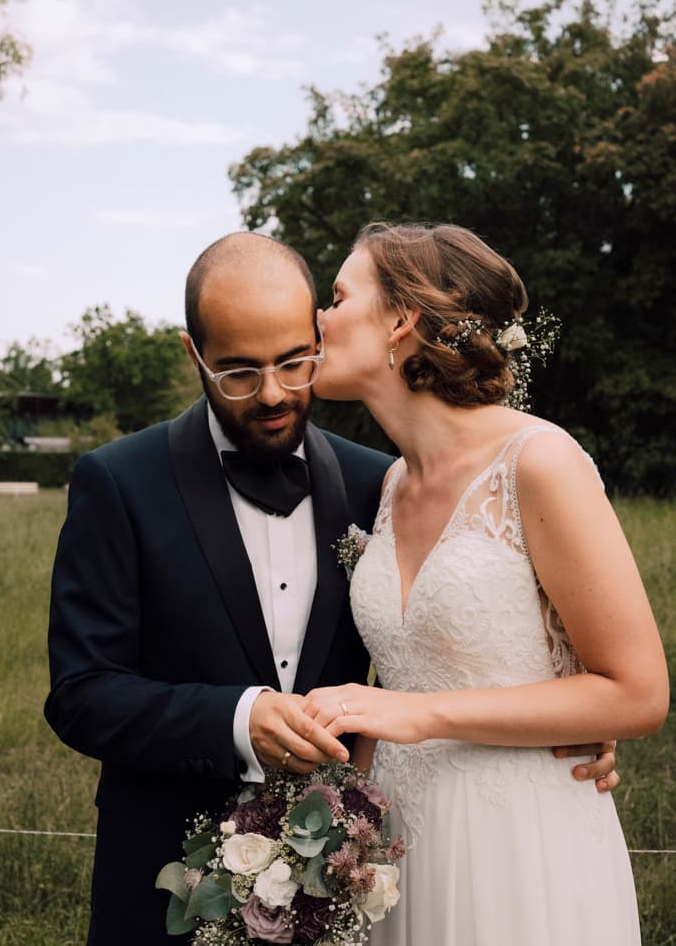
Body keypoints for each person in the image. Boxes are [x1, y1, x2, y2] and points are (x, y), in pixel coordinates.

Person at [45, 230, 619, 946]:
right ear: (194, 354)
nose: (275, 393)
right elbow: (80, 693)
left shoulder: (372, 480)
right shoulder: (118, 481)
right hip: (163, 895)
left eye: (293, 360)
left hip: (362, 885)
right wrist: (235, 720)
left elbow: (462, 646)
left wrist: (560, 713)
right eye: (238, 373)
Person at [304, 222, 669, 946]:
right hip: (400, 844)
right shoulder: (389, 484)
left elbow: (638, 692)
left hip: (519, 840)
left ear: (400, 321)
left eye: (337, 296)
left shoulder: (537, 461)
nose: (318, 315)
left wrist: (419, 715)